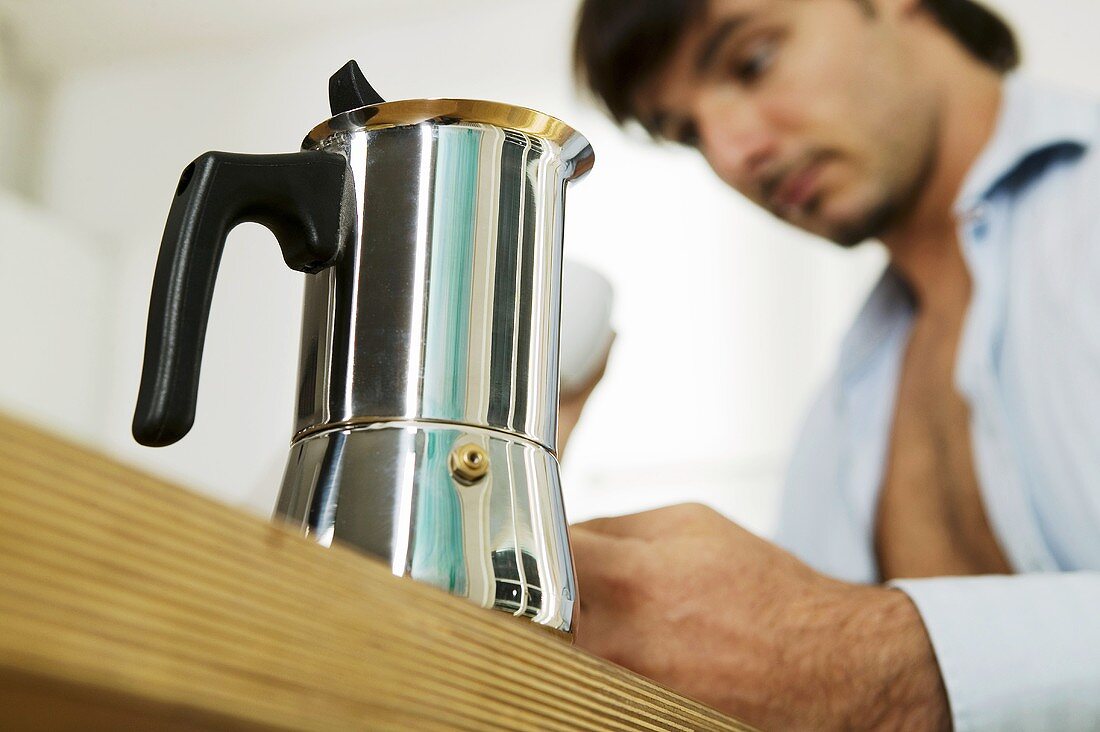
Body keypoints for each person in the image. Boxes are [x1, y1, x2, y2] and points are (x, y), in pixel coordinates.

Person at [565, 0, 1100, 729]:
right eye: (687, 134)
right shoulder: (842, 408)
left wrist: (875, 661)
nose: (730, 153)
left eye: (752, 61)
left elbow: (835, 663)